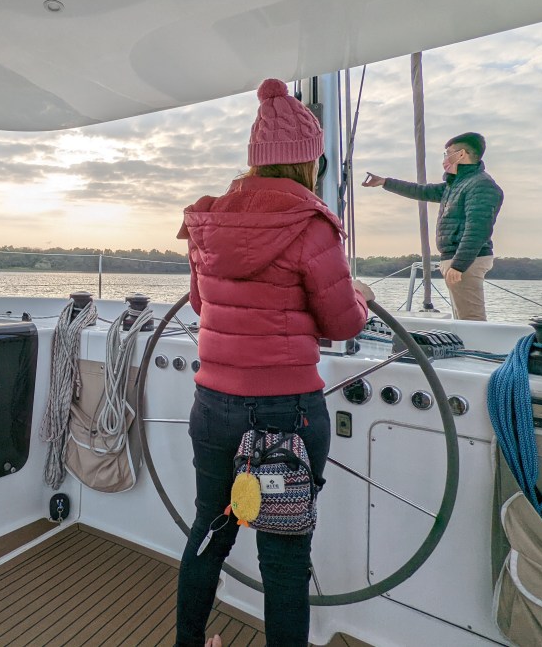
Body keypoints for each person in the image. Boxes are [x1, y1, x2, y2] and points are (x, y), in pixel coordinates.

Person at [175, 79, 371, 647]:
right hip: (288, 415)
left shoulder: (208, 221)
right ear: (309, 161)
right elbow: (342, 323)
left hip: (213, 407)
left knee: (210, 532)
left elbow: (201, 304)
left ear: (256, 158)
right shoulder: (311, 224)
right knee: (284, 559)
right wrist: (361, 298)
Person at [362, 132, 504, 321]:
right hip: (456, 258)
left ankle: (476, 342)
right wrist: (385, 182)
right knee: (463, 318)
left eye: (448, 153)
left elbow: (477, 230)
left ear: (461, 154)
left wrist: (459, 265)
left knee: (471, 319)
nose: (445, 159)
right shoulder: (455, 185)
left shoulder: (481, 185)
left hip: (467, 260)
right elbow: (421, 191)